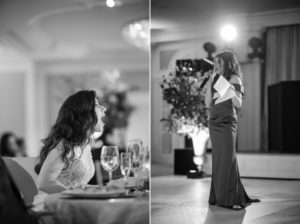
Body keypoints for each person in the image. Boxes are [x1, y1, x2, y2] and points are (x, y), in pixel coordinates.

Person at [203, 50, 260, 210]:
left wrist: (229, 91)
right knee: (219, 160)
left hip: (228, 122)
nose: (216, 66)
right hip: (214, 122)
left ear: (228, 64)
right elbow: (208, 104)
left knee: (229, 159)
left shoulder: (234, 78)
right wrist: (208, 84)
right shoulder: (214, 79)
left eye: (219, 63)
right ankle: (219, 196)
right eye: (215, 63)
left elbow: (238, 104)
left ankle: (233, 198)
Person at [33, 90, 106, 210]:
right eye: (97, 105)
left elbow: (78, 185)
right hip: (52, 207)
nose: (104, 109)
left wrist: (95, 190)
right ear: (85, 114)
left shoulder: (85, 146)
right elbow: (44, 183)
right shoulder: (64, 146)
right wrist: (78, 195)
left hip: (72, 204)